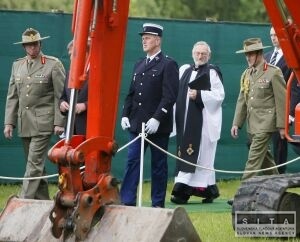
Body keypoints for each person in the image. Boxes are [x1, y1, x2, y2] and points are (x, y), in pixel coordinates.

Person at [120, 23, 179, 208]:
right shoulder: (139, 63)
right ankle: (127, 200)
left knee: (158, 166)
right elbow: (131, 93)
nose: (143, 40)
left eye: (148, 37)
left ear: (158, 40)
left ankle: (157, 204)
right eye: (143, 37)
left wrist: (157, 118)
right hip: (137, 123)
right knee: (132, 160)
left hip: (158, 126)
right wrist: (125, 114)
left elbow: (169, 96)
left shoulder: (168, 64)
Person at [3, 28, 66, 199]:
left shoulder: (53, 64)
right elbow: (12, 95)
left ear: (40, 44)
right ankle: (43, 204)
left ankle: (22, 203)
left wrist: (59, 122)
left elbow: (60, 95)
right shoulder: (17, 65)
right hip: (24, 123)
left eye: (35, 44)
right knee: (36, 166)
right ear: (24, 46)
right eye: (29, 45)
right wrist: (9, 122)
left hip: (43, 123)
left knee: (33, 165)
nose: (32, 48)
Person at [170, 41, 225, 204]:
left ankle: (182, 191)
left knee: (201, 158)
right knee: (186, 154)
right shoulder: (184, 70)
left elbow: (219, 96)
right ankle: (209, 191)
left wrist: (200, 95)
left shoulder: (212, 72)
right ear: (193, 54)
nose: (200, 56)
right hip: (184, 122)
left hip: (203, 125)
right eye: (197, 53)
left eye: (203, 54)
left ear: (209, 56)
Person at [231, 38, 286, 183]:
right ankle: (278, 184)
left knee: (253, 159)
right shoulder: (247, 74)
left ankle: (242, 192)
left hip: (266, 123)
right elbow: (242, 99)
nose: (248, 57)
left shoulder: (273, 72)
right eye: (246, 54)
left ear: (259, 53)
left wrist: (282, 126)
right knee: (265, 158)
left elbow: (282, 101)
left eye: (251, 54)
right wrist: (237, 123)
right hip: (252, 124)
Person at [264, 26, 300, 173]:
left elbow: (295, 87)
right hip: (264, 108)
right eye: (271, 35)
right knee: (253, 141)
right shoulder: (266, 57)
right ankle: (268, 172)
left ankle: (277, 175)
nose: (273, 38)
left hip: (282, 108)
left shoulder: (293, 57)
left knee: (279, 143)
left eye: (276, 35)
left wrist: (290, 113)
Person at [59, 40, 88, 135]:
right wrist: (62, 104)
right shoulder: (70, 73)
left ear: (86, 53)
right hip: (70, 129)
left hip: (88, 129)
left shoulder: (97, 72)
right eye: (70, 55)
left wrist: (85, 106)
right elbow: (63, 97)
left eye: (73, 54)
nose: (71, 58)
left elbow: (105, 99)